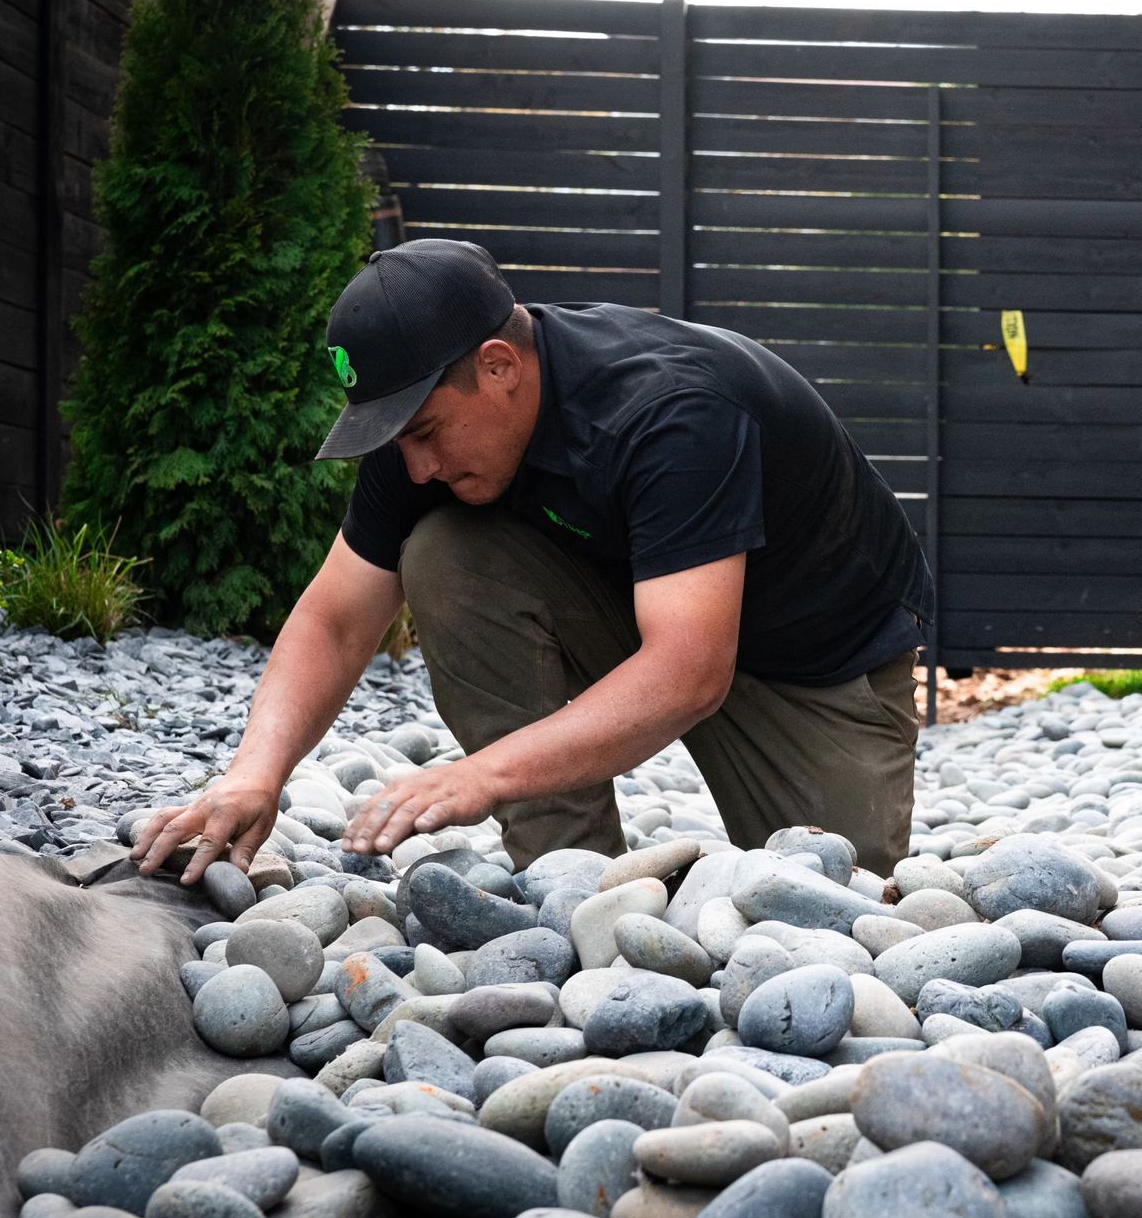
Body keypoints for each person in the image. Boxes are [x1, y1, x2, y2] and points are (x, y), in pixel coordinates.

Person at [132, 239, 933, 881]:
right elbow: (338, 617)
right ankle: (571, 874)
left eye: (426, 435)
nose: (415, 468)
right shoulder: (416, 415)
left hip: (813, 664)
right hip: (650, 613)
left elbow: (691, 672)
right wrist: (251, 775)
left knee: (837, 902)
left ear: (499, 366)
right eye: (399, 439)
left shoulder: (670, 410)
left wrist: (480, 777)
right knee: (445, 551)